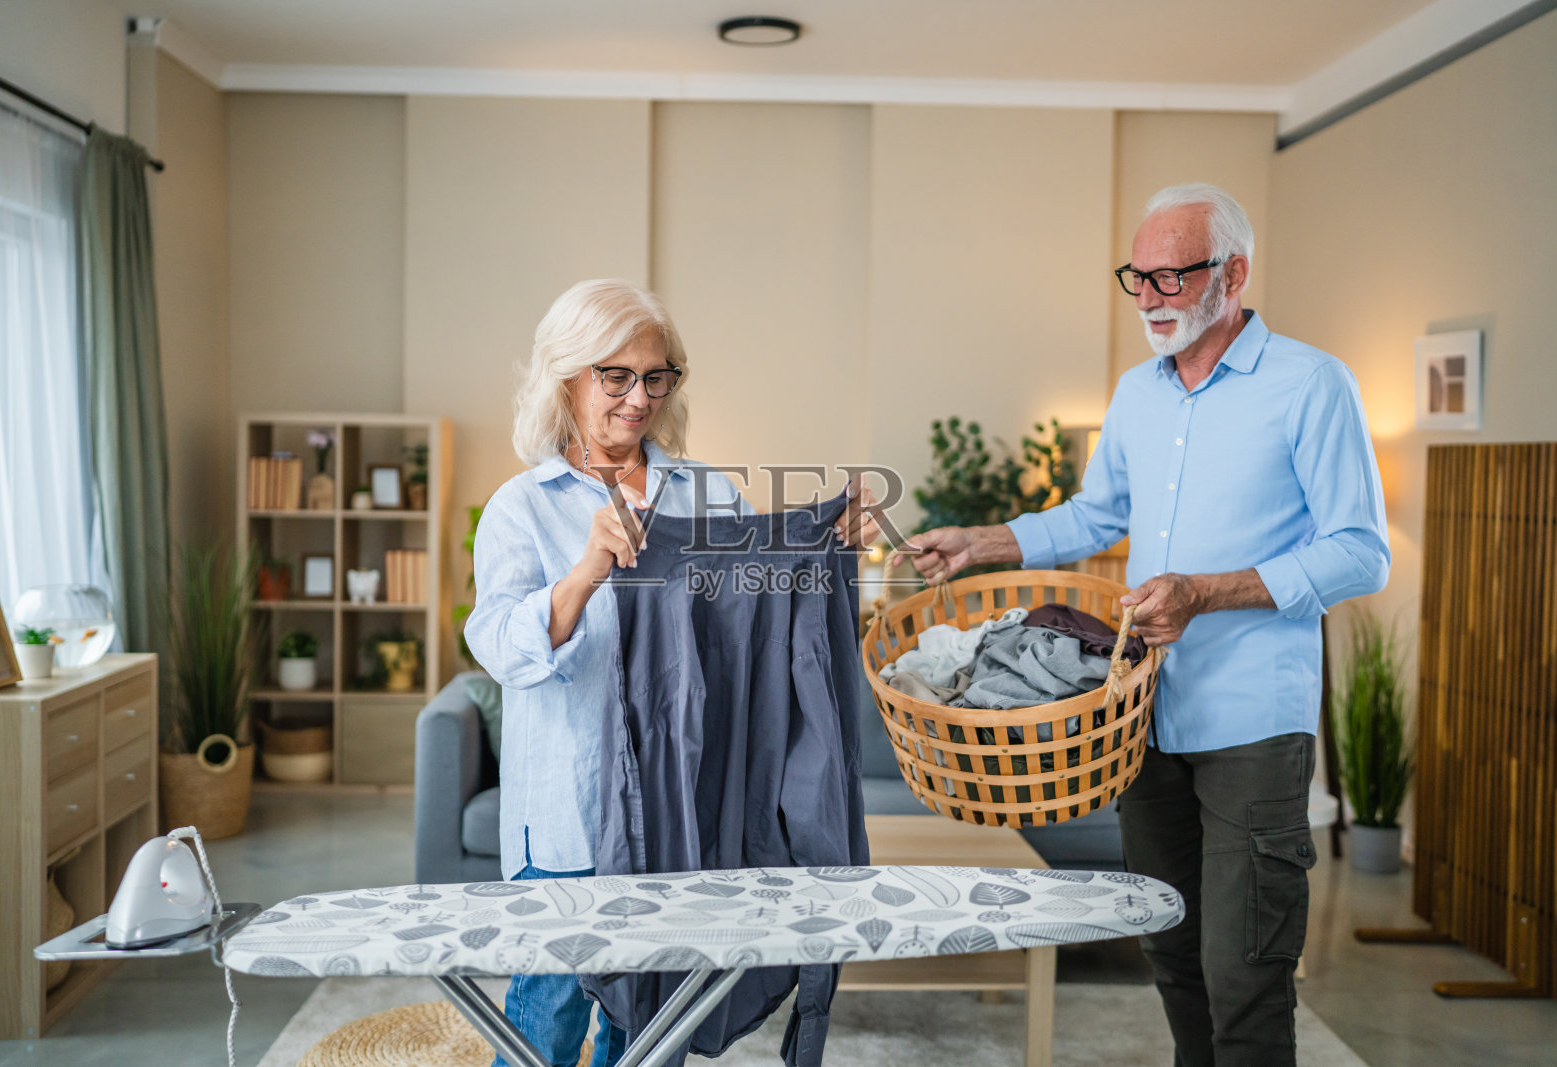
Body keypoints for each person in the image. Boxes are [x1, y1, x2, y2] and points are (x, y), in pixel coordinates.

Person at [891, 184, 1388, 1066]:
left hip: (1253, 725)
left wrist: (1206, 591)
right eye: (1139, 276)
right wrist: (983, 541)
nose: (1151, 297)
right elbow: (1096, 514)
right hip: (1142, 718)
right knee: (1170, 947)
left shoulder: (1312, 384)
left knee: (1245, 970)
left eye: (1172, 276)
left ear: (1233, 273)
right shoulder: (1136, 393)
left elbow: (1361, 553)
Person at [465, 279, 879, 1067]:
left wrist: (828, 547)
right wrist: (586, 572)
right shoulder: (522, 507)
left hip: (676, 811)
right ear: (567, 377)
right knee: (544, 1026)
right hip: (567, 817)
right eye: (616, 376)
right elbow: (501, 648)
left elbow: (759, 615)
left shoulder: (708, 493)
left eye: (656, 377)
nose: (639, 398)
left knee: (651, 1032)